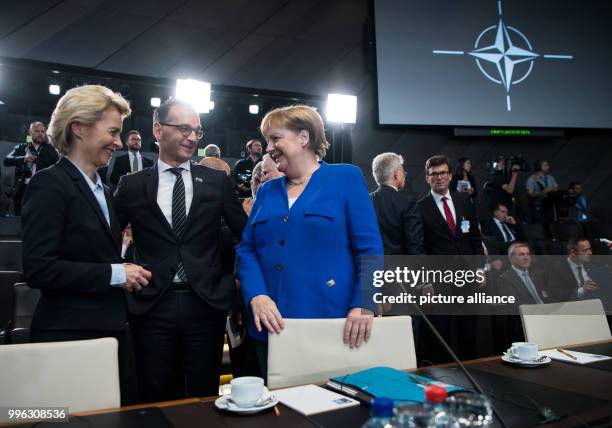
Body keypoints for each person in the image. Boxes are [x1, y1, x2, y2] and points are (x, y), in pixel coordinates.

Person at [21, 85, 151, 404]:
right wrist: (116, 274)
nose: (118, 143)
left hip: (110, 334)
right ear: (78, 128)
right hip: (68, 338)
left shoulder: (103, 190)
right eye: (112, 132)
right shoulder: (49, 184)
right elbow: (39, 269)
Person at [114, 98, 247, 403]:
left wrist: (233, 281)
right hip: (151, 306)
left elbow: (245, 236)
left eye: (197, 131)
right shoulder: (131, 185)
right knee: (156, 396)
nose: (192, 137)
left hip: (205, 305)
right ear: (158, 130)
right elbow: (105, 239)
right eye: (184, 128)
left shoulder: (216, 182)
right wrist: (120, 273)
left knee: (204, 396)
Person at [237, 105, 383, 379]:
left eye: (275, 138)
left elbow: (370, 250)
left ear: (303, 137)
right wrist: (256, 294)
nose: (268, 148)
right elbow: (247, 249)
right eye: (267, 141)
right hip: (271, 328)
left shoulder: (345, 178)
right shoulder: (267, 191)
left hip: (331, 325)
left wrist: (364, 302)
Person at [417, 155, 484, 362]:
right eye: (434, 174)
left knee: (469, 333)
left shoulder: (464, 200)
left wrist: (480, 269)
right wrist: (425, 283)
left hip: (467, 277)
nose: (439, 178)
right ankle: (443, 382)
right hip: (438, 283)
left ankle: (472, 375)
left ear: (450, 175)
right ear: (427, 178)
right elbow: (420, 248)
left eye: (443, 173)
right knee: (441, 337)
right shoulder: (419, 207)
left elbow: (474, 237)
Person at [370, 152, 424, 255]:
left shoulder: (365, 201)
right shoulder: (408, 203)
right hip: (401, 268)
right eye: (403, 172)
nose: (404, 176)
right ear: (397, 174)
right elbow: (415, 244)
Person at [3, 121, 59, 215]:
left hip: (42, 190)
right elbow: (6, 160)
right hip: (22, 190)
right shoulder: (21, 148)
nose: (40, 134)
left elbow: (59, 168)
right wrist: (23, 159)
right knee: (19, 218)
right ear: (30, 131)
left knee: (39, 218)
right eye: (37, 131)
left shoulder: (50, 150)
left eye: (42, 131)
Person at [526, 160, 559, 225]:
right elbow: (529, 195)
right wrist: (541, 193)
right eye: (545, 165)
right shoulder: (531, 179)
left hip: (550, 207)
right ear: (539, 167)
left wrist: (551, 189)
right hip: (538, 208)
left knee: (552, 227)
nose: (548, 167)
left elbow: (557, 188)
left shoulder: (550, 177)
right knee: (540, 227)